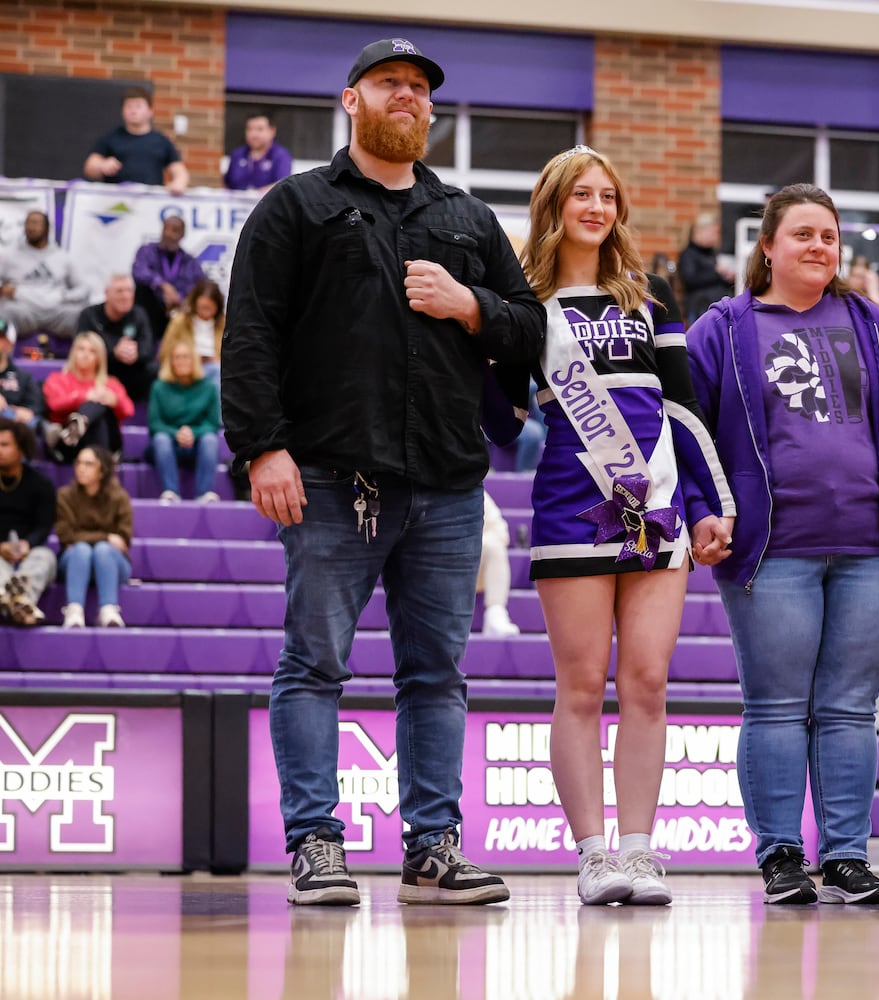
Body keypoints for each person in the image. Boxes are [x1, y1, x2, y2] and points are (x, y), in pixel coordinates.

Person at [221, 37, 546, 908]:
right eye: (390, 84)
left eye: (420, 88)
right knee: (315, 665)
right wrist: (262, 446)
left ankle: (433, 846)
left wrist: (471, 303)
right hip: (329, 479)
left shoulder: (470, 220)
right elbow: (249, 331)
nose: (409, 96)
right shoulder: (295, 206)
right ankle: (316, 844)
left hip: (446, 483)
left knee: (436, 674)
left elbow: (529, 328)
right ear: (351, 101)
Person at [687, 183, 879, 906]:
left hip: (871, 549)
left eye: (828, 235)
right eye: (802, 235)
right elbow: (684, 431)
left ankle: (847, 854)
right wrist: (701, 509)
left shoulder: (872, 322)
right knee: (778, 706)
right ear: (767, 246)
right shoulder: (723, 328)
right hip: (769, 550)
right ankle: (782, 854)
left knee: (851, 707)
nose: (819, 246)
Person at [520, 145, 733, 906]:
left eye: (608, 194)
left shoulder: (651, 297)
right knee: (579, 687)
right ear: (555, 204)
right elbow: (498, 411)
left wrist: (709, 506)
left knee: (647, 681)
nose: (597, 206)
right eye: (582, 193)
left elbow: (683, 410)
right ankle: (590, 856)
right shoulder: (525, 302)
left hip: (657, 514)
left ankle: (639, 852)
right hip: (571, 511)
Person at [55, 446, 133, 628]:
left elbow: (123, 539)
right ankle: (74, 611)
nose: (81, 468)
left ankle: (108, 610)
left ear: (102, 470)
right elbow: (67, 536)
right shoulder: (65, 496)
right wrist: (105, 536)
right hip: (74, 562)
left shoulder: (119, 497)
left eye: (89, 464)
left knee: (102, 551)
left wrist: (88, 539)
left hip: (111, 563)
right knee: (82, 550)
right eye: (79, 463)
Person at [149, 335, 221, 504]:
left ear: (194, 360)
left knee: (210, 440)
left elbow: (212, 424)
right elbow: (155, 423)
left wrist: (192, 433)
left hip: (197, 446)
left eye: (186, 356)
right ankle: (171, 492)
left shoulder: (208, 387)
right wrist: (176, 433)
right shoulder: (159, 387)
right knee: (161, 439)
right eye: (177, 357)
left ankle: (204, 494)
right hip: (167, 445)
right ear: (171, 361)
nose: (181, 361)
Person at [43, 331, 134, 462]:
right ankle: (76, 428)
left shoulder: (110, 383)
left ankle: (78, 425)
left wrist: (114, 401)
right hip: (70, 445)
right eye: (81, 349)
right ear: (73, 352)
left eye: (92, 351)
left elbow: (129, 410)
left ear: (100, 357)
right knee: (96, 405)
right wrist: (84, 396)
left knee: (100, 408)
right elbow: (54, 405)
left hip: (108, 443)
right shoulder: (57, 379)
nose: (86, 355)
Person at [0, 417, 56, 626]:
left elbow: (44, 526)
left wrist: (27, 544)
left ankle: (15, 600)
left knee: (46, 556)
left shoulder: (41, 484)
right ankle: (20, 604)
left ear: (21, 448)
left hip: (28, 552)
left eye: (5, 445)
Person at [0, 211, 90, 340]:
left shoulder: (62, 257)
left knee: (82, 315)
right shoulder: (9, 255)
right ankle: (3, 358)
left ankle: (81, 357)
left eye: (36, 223)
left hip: (57, 311)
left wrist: (64, 296)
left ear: (47, 228)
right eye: (28, 223)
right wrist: (4, 289)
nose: (31, 227)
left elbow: (84, 289)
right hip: (23, 311)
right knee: (4, 312)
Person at [83, 87, 189, 193]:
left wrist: (179, 182)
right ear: (122, 111)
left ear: (150, 111)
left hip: (150, 201)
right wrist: (102, 165)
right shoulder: (111, 138)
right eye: (129, 106)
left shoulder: (162, 141)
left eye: (138, 106)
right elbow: (90, 166)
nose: (133, 111)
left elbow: (179, 169)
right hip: (115, 201)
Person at [76, 274, 158, 406]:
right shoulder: (89, 315)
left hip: (133, 373)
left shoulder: (139, 314)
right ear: (107, 293)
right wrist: (114, 352)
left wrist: (136, 353)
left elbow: (148, 348)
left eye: (129, 291)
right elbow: (80, 350)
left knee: (155, 370)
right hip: (103, 373)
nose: (125, 296)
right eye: (119, 291)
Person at [132, 215, 207, 342]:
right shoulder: (147, 251)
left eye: (174, 230)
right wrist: (162, 285)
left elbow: (200, 286)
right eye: (165, 229)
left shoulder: (189, 262)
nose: (168, 234)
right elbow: (139, 271)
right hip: (151, 310)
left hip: (178, 311)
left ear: (182, 235)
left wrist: (180, 298)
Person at [161, 280, 225, 387]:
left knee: (216, 370)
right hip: (185, 369)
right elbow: (164, 353)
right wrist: (189, 359)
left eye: (209, 308)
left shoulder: (224, 324)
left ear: (217, 307)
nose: (205, 312)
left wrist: (218, 360)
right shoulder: (180, 321)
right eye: (202, 308)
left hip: (215, 370)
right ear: (195, 304)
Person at [676, 213, 734, 325]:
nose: (716, 237)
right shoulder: (688, 255)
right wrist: (717, 273)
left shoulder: (712, 254)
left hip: (719, 307)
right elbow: (690, 280)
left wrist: (727, 277)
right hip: (700, 307)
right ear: (699, 232)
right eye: (713, 233)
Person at [476, 490, 519, 637]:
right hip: (434, 564)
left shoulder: (475, 491)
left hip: (470, 563)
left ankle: (495, 613)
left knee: (494, 547)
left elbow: (500, 531)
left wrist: (468, 546)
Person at [1, 319, 49, 435]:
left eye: (0, 338)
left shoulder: (23, 377)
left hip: (13, 427)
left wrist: (27, 412)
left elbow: (36, 406)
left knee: (31, 422)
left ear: (10, 344)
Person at [224, 112, 293, 192]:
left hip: (267, 203)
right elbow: (227, 184)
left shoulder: (281, 156)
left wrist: (256, 195)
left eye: (259, 129)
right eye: (250, 129)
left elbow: (282, 185)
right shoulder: (237, 154)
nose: (254, 134)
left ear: (272, 131)